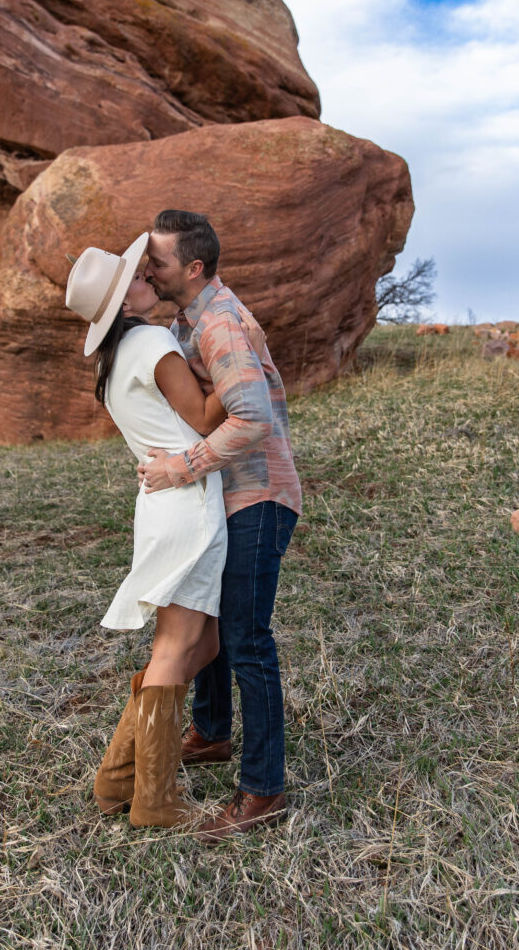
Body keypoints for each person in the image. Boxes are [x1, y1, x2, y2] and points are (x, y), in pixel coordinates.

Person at [64, 232, 264, 831]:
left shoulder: (118, 358)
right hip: (188, 501)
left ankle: (119, 782)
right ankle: (154, 801)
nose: (146, 275)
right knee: (178, 647)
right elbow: (207, 417)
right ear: (124, 303)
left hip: (162, 504)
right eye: (136, 277)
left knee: (202, 645)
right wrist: (230, 362)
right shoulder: (152, 340)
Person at [139, 209, 302, 844]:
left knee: (245, 637)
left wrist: (183, 467)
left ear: (194, 268)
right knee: (207, 608)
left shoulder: (220, 323)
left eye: (158, 260)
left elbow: (252, 417)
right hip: (226, 494)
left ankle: (263, 789)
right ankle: (210, 731)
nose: (149, 268)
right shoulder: (189, 319)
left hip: (257, 494)